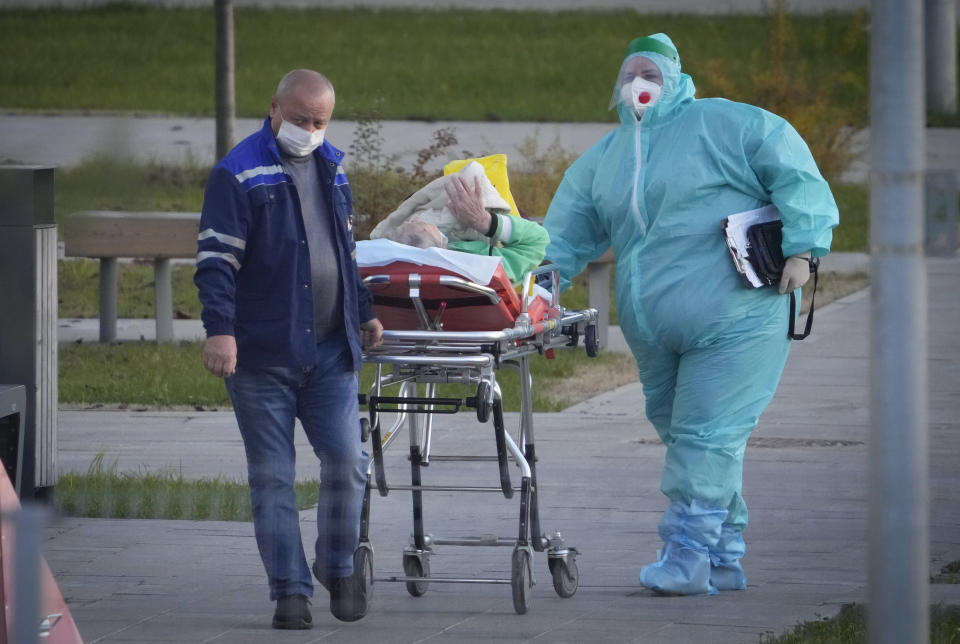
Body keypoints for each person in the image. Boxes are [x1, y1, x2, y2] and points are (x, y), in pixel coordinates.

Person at [542, 34, 838, 595]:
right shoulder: (605, 160)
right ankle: (723, 551)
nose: (639, 84)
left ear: (676, 78)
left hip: (738, 315)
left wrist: (804, 244)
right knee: (684, 433)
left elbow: (792, 166)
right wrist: (534, 280)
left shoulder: (725, 125)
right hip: (653, 328)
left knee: (706, 434)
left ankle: (686, 556)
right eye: (630, 73)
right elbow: (563, 233)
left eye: (650, 72)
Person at [194, 69, 383, 628]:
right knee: (274, 476)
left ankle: (337, 564)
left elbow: (344, 252)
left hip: (329, 350)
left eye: (319, 122)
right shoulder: (238, 174)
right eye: (300, 119)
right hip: (260, 354)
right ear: (273, 108)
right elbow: (216, 263)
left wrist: (365, 312)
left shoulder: (332, 168)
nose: (309, 130)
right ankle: (290, 592)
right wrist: (219, 329)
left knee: (349, 462)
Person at [382, 174, 550, 287]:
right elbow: (538, 240)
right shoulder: (484, 263)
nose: (419, 220)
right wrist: (484, 221)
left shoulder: (382, 263)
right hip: (481, 320)